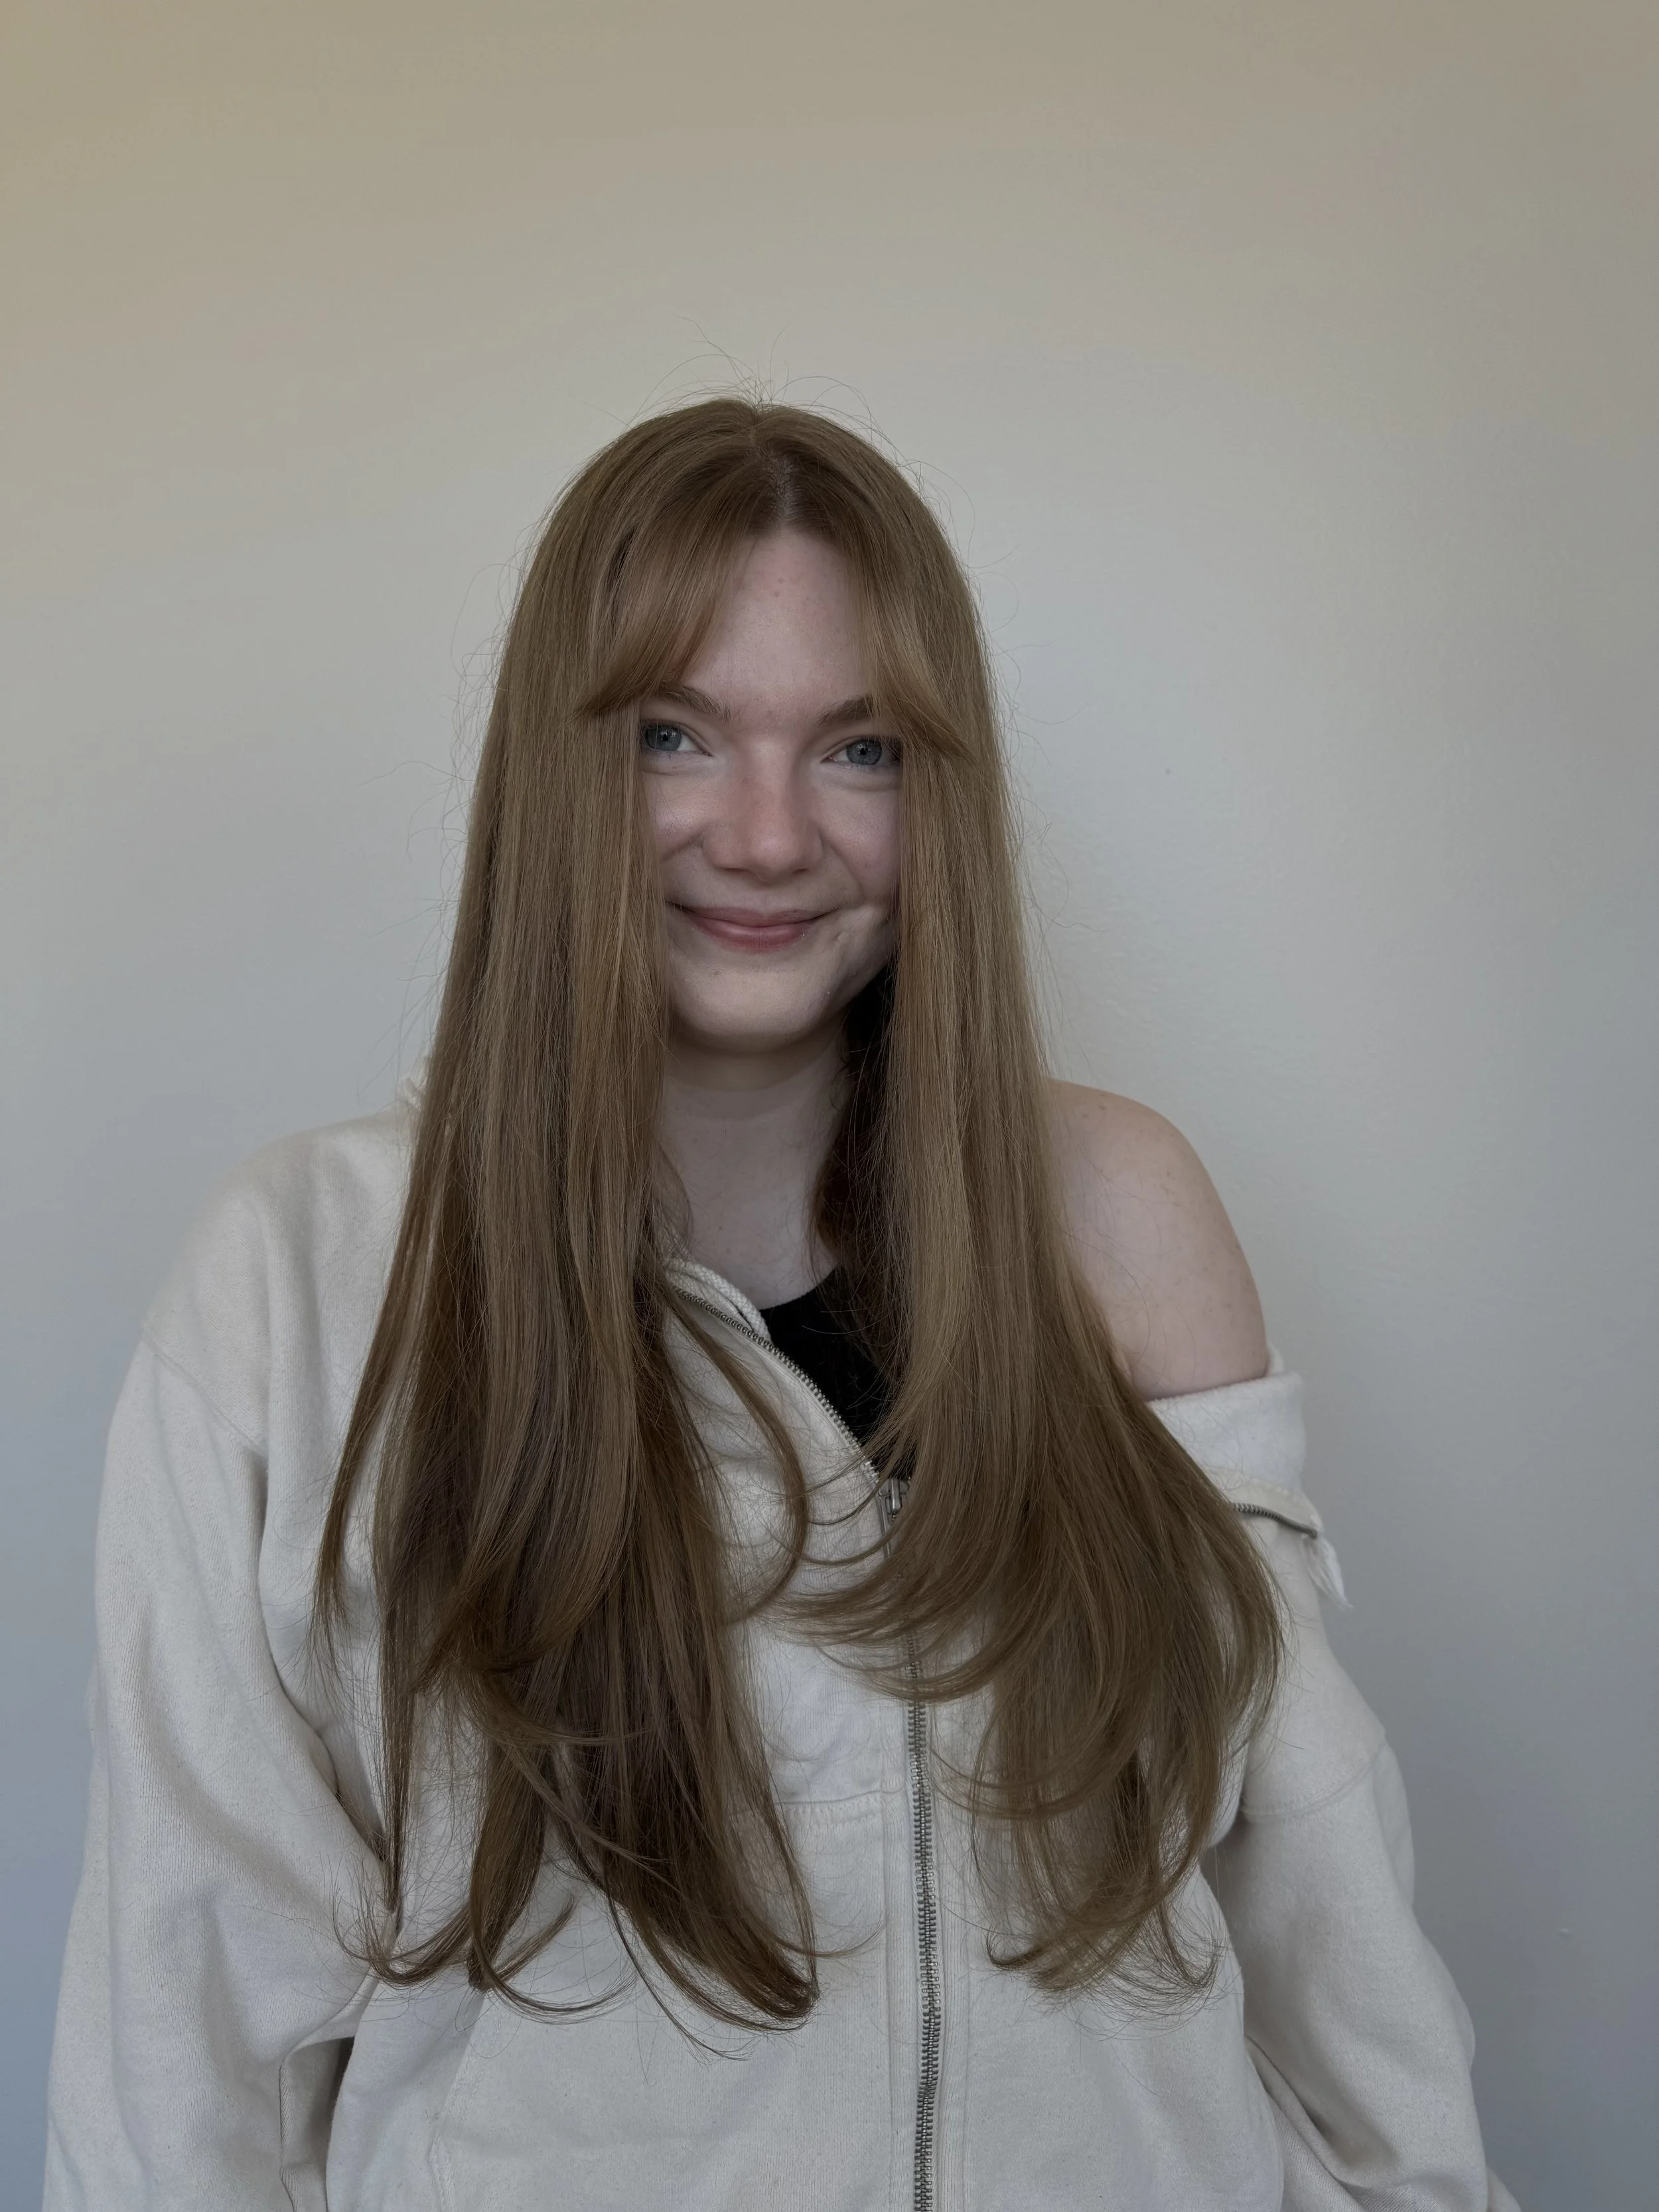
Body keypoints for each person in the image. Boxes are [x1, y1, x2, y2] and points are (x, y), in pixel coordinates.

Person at [42, 399, 1517, 2210]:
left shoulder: (1119, 1206)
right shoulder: (302, 1277)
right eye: (676, 734)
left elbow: (1315, 1892)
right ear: (558, 767)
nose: (764, 834)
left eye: (859, 750)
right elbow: (180, 2027)